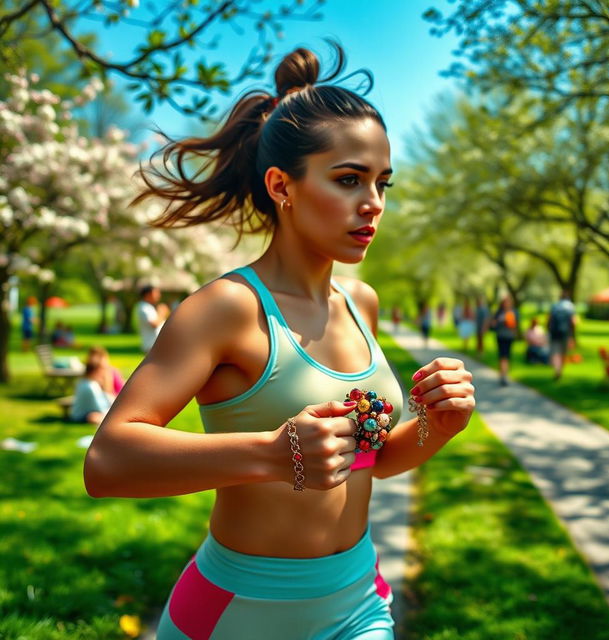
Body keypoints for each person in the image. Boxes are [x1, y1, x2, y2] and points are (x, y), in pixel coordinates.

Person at [83, 45, 475, 640]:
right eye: (348, 179)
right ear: (281, 185)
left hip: (356, 604)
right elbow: (107, 463)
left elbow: (375, 459)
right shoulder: (225, 309)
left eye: (381, 182)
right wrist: (273, 452)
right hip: (238, 611)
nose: (373, 202)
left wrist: (436, 425)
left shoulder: (360, 302)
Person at [70, 350, 116, 425]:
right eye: (103, 369)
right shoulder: (90, 387)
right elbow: (102, 408)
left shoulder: (87, 382)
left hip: (89, 412)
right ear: (96, 370)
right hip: (82, 416)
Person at [547, 290, 576, 380]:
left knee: (555, 352)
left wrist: (548, 329)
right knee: (563, 353)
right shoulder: (570, 306)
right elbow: (573, 322)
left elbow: (549, 319)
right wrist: (572, 336)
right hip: (565, 333)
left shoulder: (555, 306)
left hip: (554, 332)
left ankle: (557, 369)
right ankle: (560, 370)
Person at [491, 295, 518, 386]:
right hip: (501, 336)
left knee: (506, 356)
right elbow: (493, 324)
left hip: (509, 337)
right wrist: (499, 321)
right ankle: (503, 375)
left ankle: (504, 375)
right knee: (502, 356)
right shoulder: (499, 312)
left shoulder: (514, 312)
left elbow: (516, 325)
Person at [136, 285, 170, 353]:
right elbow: (154, 324)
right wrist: (162, 312)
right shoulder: (144, 307)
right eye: (156, 293)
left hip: (155, 345)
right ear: (148, 294)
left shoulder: (149, 307)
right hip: (151, 345)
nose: (159, 295)